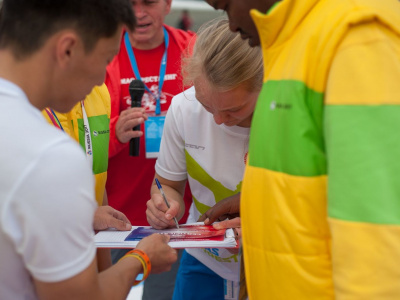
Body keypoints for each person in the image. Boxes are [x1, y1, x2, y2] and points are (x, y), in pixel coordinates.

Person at [203, 0, 400, 299]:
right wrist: (260, 203)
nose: (230, 25)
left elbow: (373, 235)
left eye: (226, 6)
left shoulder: (356, 38)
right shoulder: (294, 42)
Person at [0, 1, 177, 299]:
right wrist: (142, 259)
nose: (100, 79)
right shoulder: (48, 156)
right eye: (105, 59)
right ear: (67, 49)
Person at [146, 19, 263, 299]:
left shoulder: (288, 116)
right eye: (206, 105)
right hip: (204, 262)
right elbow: (165, 183)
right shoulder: (183, 108)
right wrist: (165, 204)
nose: (219, 121)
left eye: (234, 110)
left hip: (271, 263)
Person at [105, 0, 195, 297]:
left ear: (168, 4)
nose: (139, 13)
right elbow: (76, 142)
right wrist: (114, 134)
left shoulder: (194, 50)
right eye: (129, 3)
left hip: (174, 217)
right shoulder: (102, 52)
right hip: (116, 221)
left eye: (149, 2)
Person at [42, 84, 120, 271]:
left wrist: (104, 269)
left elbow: (98, 182)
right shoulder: (24, 101)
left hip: (84, 258)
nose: (104, 74)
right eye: (103, 58)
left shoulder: (99, 92)